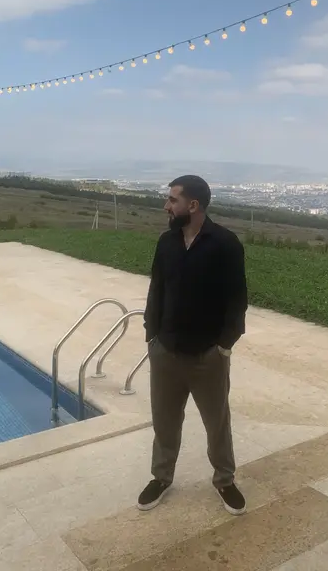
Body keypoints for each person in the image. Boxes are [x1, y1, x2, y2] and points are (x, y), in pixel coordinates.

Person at [138, 174, 248, 516]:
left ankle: (225, 480)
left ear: (193, 205)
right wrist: (151, 335)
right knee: (164, 423)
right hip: (166, 352)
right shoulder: (166, 242)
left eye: (173, 200)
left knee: (217, 424)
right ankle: (161, 477)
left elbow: (237, 300)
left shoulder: (226, 244)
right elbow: (156, 290)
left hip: (207, 357)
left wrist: (224, 346)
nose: (166, 206)